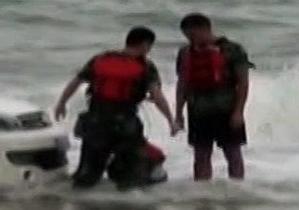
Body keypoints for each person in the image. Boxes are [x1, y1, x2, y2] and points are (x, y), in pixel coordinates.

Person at [52, 26, 180, 189]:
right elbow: (157, 96)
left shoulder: (100, 59)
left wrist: (61, 103)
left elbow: (76, 82)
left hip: (96, 122)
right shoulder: (146, 66)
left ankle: (79, 205)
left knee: (87, 173)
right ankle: (127, 202)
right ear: (145, 45)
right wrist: (171, 121)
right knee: (130, 170)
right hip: (126, 124)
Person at [174, 13, 253, 181]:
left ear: (205, 29)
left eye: (193, 34)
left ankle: (237, 191)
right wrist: (178, 113)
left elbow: (243, 83)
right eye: (187, 36)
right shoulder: (185, 52)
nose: (191, 39)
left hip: (227, 109)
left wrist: (239, 111)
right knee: (201, 156)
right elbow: (182, 84)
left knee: (233, 153)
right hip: (198, 110)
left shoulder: (233, 50)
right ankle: (202, 194)